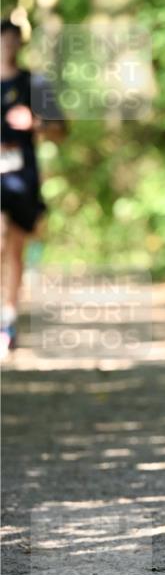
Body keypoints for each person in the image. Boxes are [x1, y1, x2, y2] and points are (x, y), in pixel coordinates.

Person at [1, 19, 67, 357]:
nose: (9, 46)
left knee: (14, 246)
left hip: (21, 177)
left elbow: (61, 128)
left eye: (15, 40)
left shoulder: (33, 83)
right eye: (4, 40)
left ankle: (8, 320)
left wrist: (35, 123)